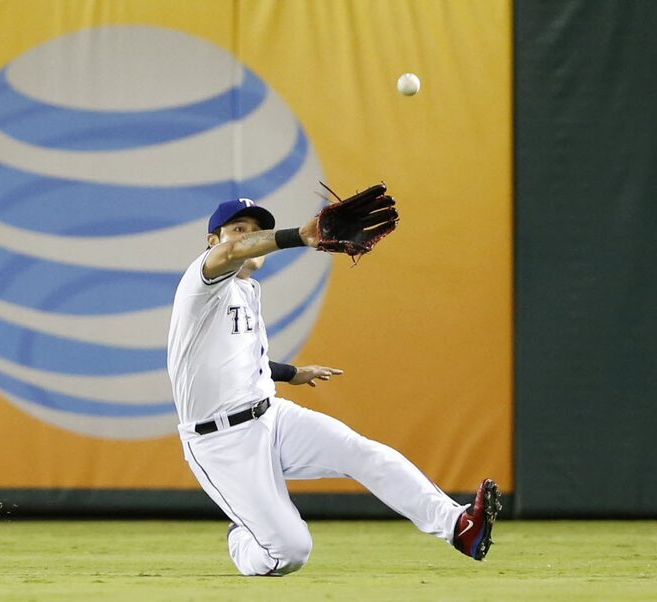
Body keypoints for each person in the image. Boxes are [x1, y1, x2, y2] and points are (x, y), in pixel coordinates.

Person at [167, 197, 500, 576]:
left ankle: (459, 527)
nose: (251, 237)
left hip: (271, 416)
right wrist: (301, 235)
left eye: (257, 229)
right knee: (290, 552)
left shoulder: (248, 290)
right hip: (220, 443)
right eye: (240, 228)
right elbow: (230, 253)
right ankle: (243, 534)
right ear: (212, 240)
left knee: (363, 453)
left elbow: (242, 360)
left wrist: (293, 373)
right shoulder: (201, 282)